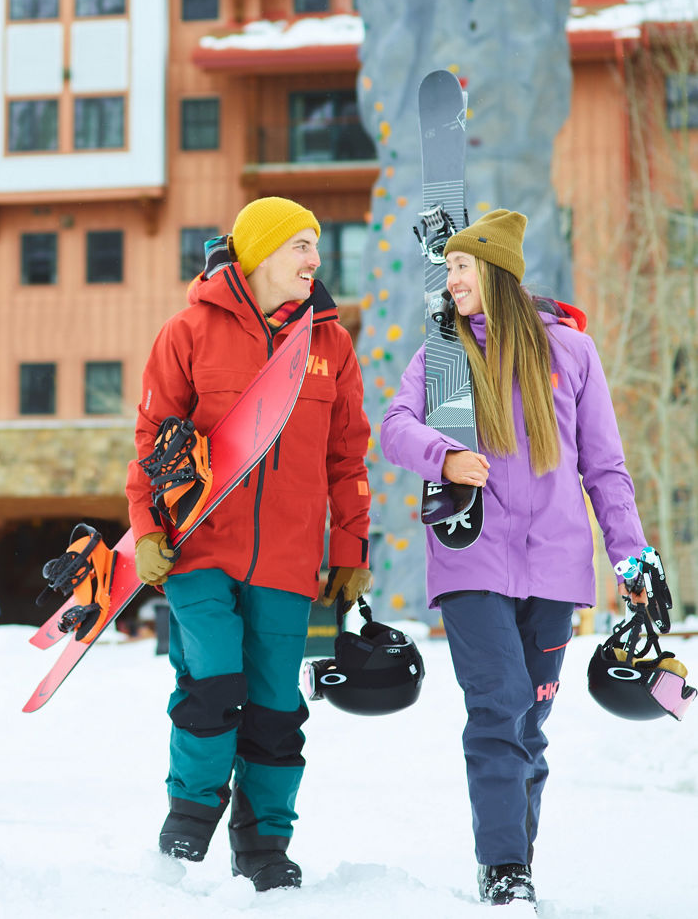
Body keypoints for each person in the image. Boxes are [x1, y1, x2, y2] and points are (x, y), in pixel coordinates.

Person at [380, 208, 653, 907]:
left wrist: (632, 561)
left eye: (463, 266)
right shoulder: (444, 354)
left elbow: (607, 469)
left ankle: (512, 864)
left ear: (496, 273)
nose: (452, 278)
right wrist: (447, 455)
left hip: (557, 567)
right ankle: (505, 868)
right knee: (498, 709)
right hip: (472, 563)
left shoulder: (572, 353)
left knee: (530, 725)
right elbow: (395, 427)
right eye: (450, 268)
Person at [125, 196, 372, 892]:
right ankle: (192, 809)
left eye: (315, 246)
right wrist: (146, 530)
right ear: (259, 252)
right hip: (198, 549)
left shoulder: (332, 345)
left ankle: (265, 843)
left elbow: (348, 458)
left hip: (288, 559)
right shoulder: (190, 332)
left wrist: (350, 547)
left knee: (273, 706)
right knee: (213, 682)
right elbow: (152, 442)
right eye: (299, 246)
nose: (313, 260)